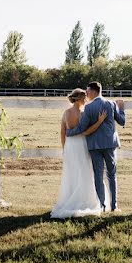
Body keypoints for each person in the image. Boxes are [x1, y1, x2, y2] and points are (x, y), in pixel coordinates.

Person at [64, 81, 125, 212]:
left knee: (98, 175)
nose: (86, 94)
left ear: (93, 91)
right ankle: (114, 206)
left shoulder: (89, 108)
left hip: (94, 145)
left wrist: (69, 132)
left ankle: (102, 206)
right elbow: (122, 121)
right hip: (110, 144)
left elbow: (81, 128)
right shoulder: (111, 104)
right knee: (112, 175)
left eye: (87, 91)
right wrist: (122, 108)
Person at [50, 88, 107, 219]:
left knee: (72, 172)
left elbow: (62, 132)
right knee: (85, 171)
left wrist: (64, 148)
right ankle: (84, 199)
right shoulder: (83, 112)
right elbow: (86, 131)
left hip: (70, 145)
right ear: (81, 99)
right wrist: (99, 121)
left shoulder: (66, 113)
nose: (86, 99)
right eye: (85, 98)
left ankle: (69, 199)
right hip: (81, 144)